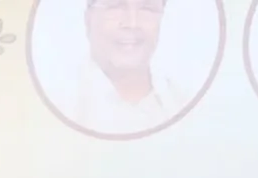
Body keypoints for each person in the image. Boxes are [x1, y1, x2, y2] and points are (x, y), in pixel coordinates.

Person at [66, 0, 189, 135]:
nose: (132, 23)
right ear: (88, 19)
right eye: (115, 6)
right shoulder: (62, 105)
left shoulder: (185, 107)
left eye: (147, 8)